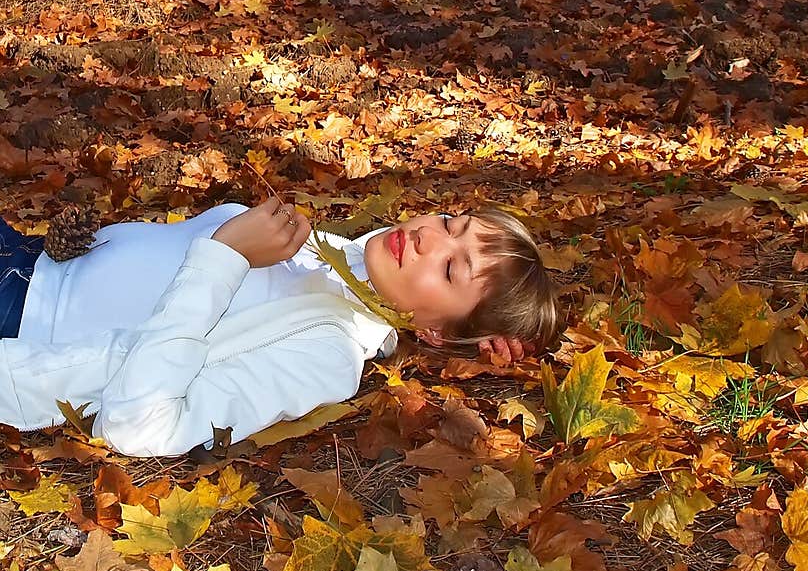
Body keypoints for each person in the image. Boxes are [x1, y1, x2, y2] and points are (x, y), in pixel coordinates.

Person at [0, 196, 559, 458]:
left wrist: (225, 255)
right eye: (449, 223)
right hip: (30, 258)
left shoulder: (328, 355)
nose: (427, 238)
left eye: (448, 268)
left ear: (435, 332)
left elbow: (141, 425)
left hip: (20, 324)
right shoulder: (329, 256)